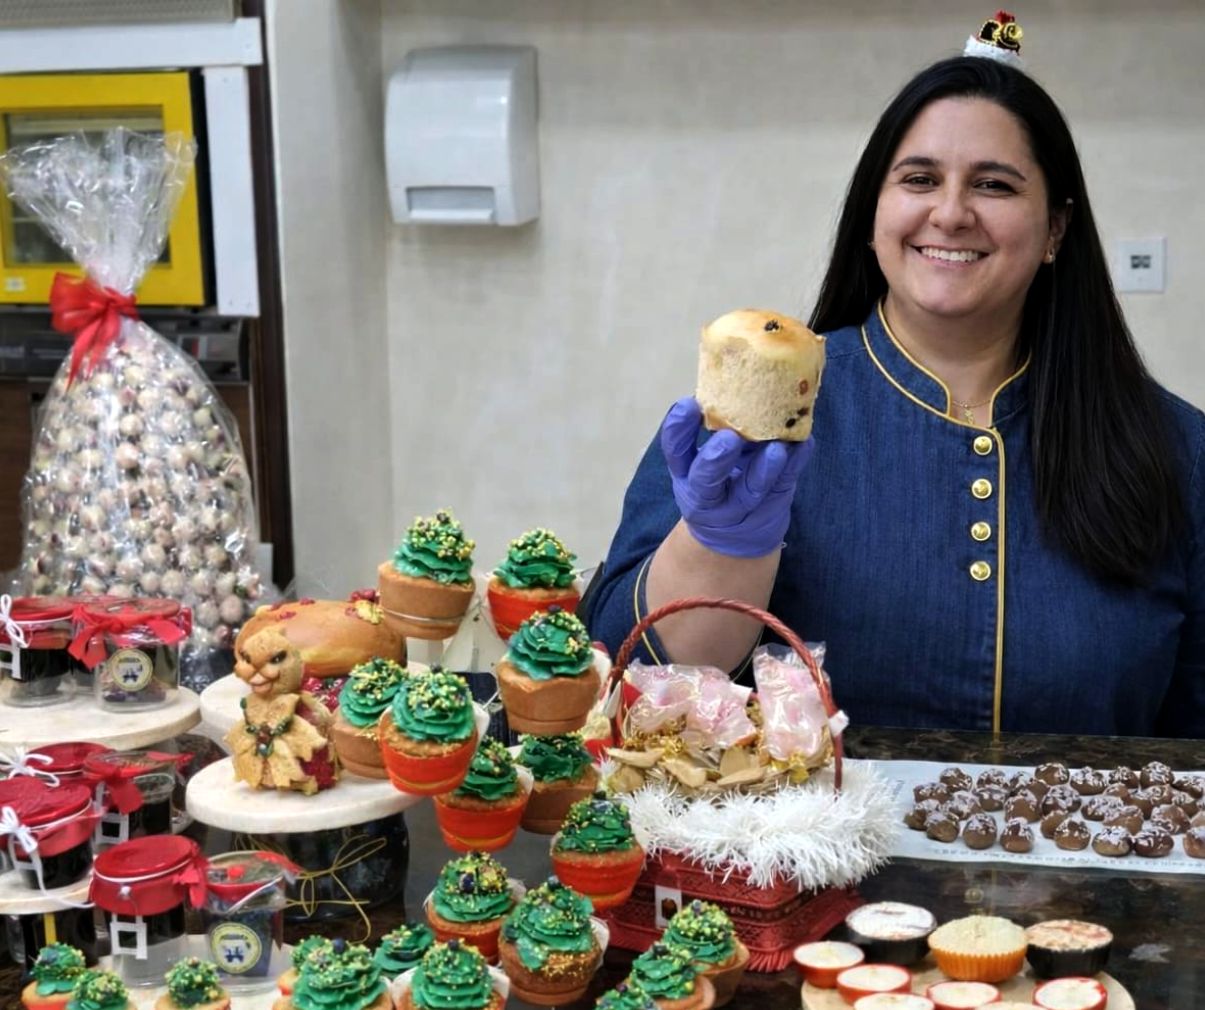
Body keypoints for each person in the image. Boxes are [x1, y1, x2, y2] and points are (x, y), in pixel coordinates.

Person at [583, 47, 1205, 738]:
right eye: (919, 179)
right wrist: (719, 550)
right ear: (873, 213)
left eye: (993, 185)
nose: (951, 213)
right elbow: (620, 691)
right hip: (810, 816)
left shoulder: (1180, 451)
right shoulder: (753, 422)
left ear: (1055, 228)